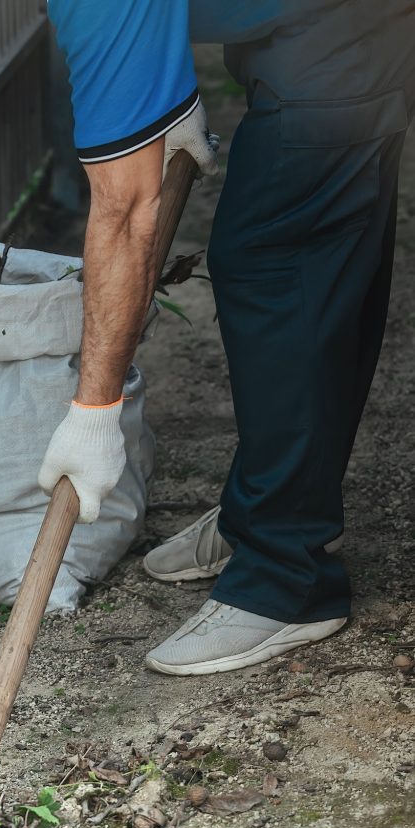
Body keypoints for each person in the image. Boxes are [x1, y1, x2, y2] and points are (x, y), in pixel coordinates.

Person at [40, 1, 415, 676]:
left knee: (279, 263)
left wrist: (94, 413)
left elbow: (126, 213)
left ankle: (286, 576)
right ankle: (266, 511)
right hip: (311, 23)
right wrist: (161, 100)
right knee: (317, 258)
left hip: (346, 25)